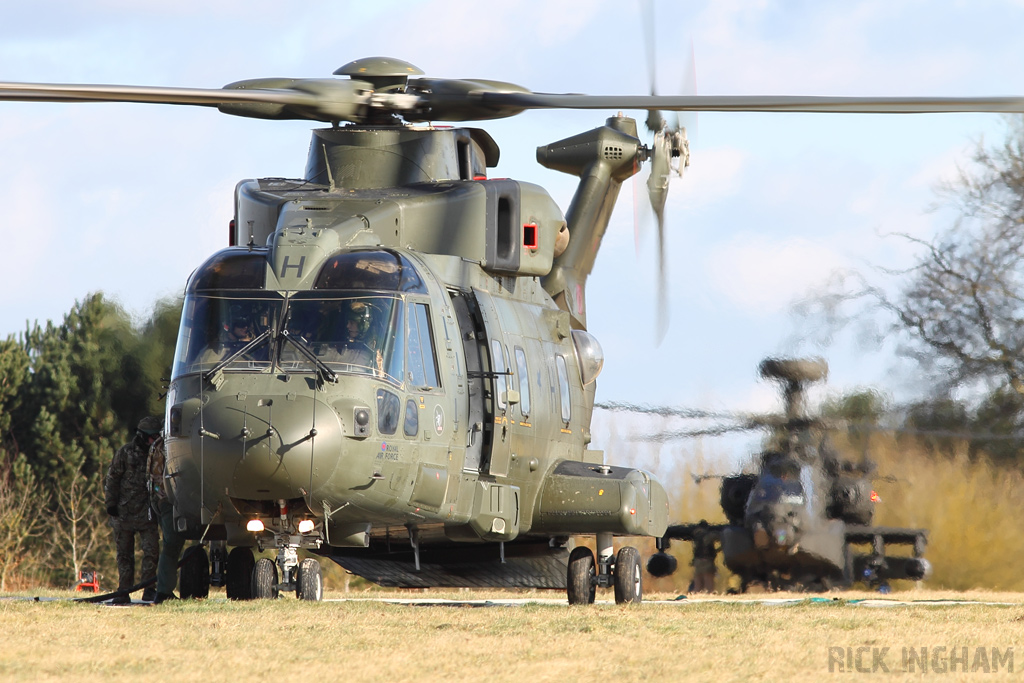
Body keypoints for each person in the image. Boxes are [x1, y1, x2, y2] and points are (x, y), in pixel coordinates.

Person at [104, 416, 161, 603]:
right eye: (152, 437)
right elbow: (112, 478)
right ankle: (124, 591)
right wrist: (110, 504)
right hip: (124, 514)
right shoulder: (125, 453)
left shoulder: (158, 455)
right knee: (124, 556)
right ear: (143, 436)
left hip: (148, 513)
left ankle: (148, 589)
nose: (155, 440)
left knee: (152, 552)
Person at [147, 433, 185, 604]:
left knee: (173, 544)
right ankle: (163, 591)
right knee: (171, 544)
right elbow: (157, 477)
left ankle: (164, 590)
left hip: (171, 499)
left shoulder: (160, 444)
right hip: (169, 500)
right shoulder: (164, 446)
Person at [690, 520, 721, 593]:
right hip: (707, 561)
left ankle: (696, 596)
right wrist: (717, 550)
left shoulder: (696, 535)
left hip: (697, 561)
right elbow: (721, 537)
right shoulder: (709, 535)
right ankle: (710, 596)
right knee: (709, 583)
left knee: (697, 583)